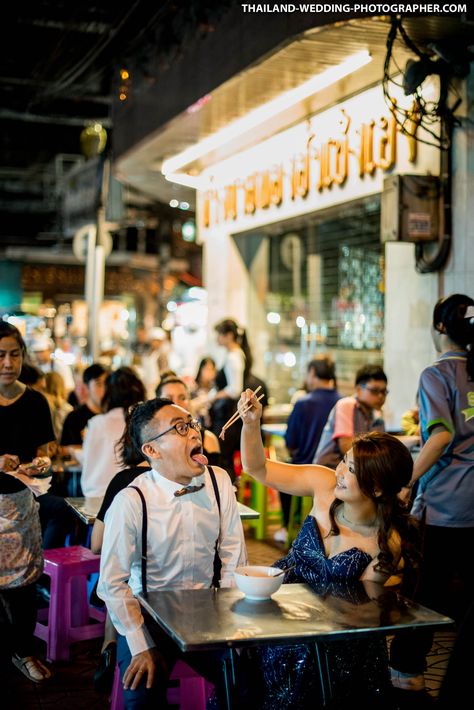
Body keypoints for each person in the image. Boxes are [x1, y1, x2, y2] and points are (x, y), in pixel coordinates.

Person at [237, 388, 420, 708]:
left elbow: (365, 610)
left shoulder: (385, 542)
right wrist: (252, 424)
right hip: (278, 609)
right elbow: (259, 469)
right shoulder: (323, 484)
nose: (339, 472)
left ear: (376, 488)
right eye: (344, 462)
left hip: (336, 637)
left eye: (351, 470)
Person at [97, 397, 247, 708]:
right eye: (180, 428)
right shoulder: (131, 501)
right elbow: (112, 583)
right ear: (151, 451)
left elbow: (234, 556)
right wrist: (140, 644)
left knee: (248, 681)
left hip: (207, 613)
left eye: (192, 424)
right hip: (148, 618)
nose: (195, 433)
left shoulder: (219, 481)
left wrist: (231, 628)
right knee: (142, 695)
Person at [389, 293, 474, 701]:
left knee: (422, 592)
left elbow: (440, 435)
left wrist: (408, 480)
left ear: (440, 328)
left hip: (444, 505)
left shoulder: (436, 374)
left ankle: (407, 672)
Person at [0, 321, 55, 684]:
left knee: (22, 585)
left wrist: (42, 463)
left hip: (20, 504)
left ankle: (23, 650)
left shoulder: (35, 401)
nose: (7, 362)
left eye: (14, 354)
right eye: (0, 355)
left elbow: (47, 452)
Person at [274, 357, 341, 544]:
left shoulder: (304, 402)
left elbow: (291, 442)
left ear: (312, 373)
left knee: (281, 473)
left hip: (304, 469)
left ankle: (288, 526)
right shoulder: (343, 402)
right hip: (335, 472)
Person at [80, 367, 145, 499]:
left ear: (109, 393)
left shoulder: (96, 422)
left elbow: (87, 459)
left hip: (94, 494)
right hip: (132, 495)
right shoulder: (142, 422)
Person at [313, 363, 388, 468]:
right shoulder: (347, 404)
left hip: (352, 474)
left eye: (384, 392)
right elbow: (346, 447)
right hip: (328, 472)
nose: (380, 396)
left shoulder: (377, 417)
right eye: (374, 391)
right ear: (358, 389)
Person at [211, 318, 254, 479]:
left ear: (228, 335)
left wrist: (212, 398)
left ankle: (226, 495)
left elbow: (235, 389)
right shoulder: (235, 354)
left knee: (224, 459)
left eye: (219, 335)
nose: (217, 339)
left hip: (227, 415)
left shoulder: (233, 357)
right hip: (228, 413)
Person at [156, 376, 223, 469]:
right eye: (169, 398)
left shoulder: (208, 439)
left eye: (182, 398)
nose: (176, 404)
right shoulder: (153, 441)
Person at [60, 363, 107, 463]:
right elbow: (65, 450)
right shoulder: (74, 417)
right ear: (87, 387)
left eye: (107, 383)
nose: (104, 389)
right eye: (98, 384)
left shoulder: (114, 416)